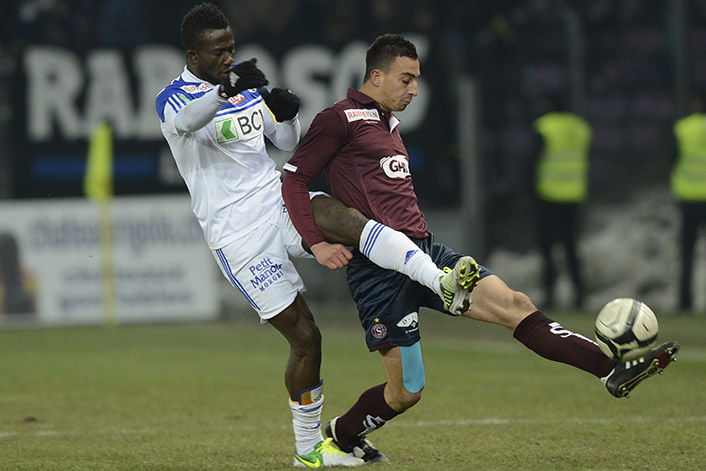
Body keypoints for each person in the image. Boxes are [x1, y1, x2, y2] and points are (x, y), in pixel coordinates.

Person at [281, 33, 680, 463]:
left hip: (426, 251)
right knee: (406, 392)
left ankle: (611, 370)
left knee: (514, 304)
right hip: (379, 273)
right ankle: (342, 432)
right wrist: (319, 243)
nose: (414, 89)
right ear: (376, 76)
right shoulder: (338, 118)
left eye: (416, 79)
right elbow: (294, 180)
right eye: (406, 79)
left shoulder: (388, 124)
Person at [155, 5, 472, 467]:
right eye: (218, 51)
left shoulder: (244, 91)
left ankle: (434, 276)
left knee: (345, 217)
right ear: (193, 54)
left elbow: (285, 144)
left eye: (232, 49)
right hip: (236, 234)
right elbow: (186, 124)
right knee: (306, 337)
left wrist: (286, 117)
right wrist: (227, 89)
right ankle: (309, 452)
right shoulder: (173, 98)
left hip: (275, 200)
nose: (228, 57)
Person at [530, 95, 591, 309]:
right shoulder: (580, 128)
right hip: (574, 194)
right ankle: (579, 295)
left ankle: (550, 295)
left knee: (547, 248)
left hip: (548, 194)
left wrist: (527, 190)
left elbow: (532, 161)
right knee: (571, 247)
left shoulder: (545, 127)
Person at [671, 94, 706, 311]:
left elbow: (671, 158)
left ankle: (685, 302)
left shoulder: (683, 128)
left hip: (689, 198)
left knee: (687, 253)